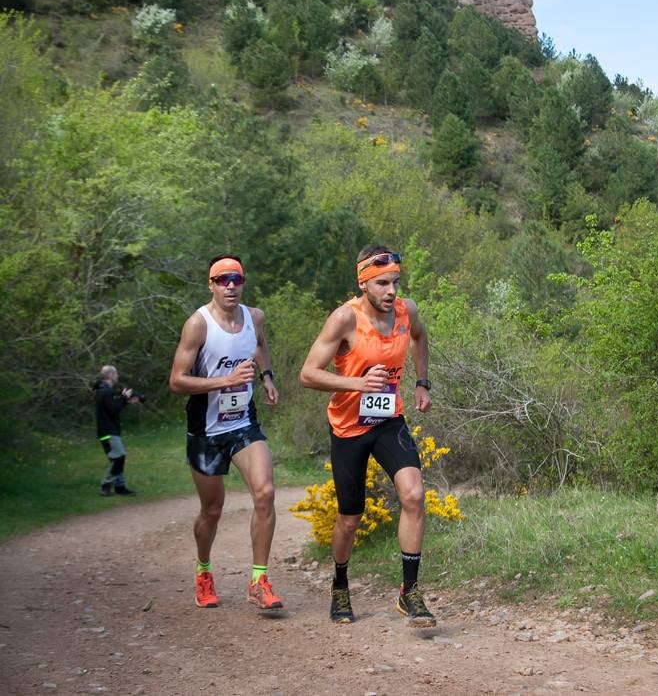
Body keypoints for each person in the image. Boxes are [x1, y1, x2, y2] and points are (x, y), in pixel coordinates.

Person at [299, 244, 436, 627]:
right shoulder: (344, 318)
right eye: (382, 284)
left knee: (414, 495)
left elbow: (421, 338)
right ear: (363, 283)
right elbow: (308, 373)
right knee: (350, 518)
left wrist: (422, 382)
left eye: (395, 282)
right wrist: (356, 384)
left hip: (389, 420)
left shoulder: (408, 311)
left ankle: (410, 593)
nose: (391, 291)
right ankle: (340, 584)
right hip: (349, 427)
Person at [169, 253, 283, 612]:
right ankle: (204, 569)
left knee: (265, 493)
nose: (230, 286)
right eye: (222, 280)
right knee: (212, 511)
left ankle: (259, 581)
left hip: (243, 424)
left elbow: (260, 344)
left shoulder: (255, 317)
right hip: (206, 430)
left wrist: (266, 377)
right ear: (211, 284)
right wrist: (225, 381)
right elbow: (176, 381)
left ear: (243, 282)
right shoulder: (198, 325)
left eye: (236, 279)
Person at [92, 365, 141, 496]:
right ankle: (106, 485)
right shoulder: (106, 391)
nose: (117, 376)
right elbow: (114, 410)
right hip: (109, 431)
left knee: (116, 460)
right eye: (116, 374)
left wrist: (124, 400)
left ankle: (120, 487)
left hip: (104, 431)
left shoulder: (101, 390)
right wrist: (124, 398)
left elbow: (112, 407)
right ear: (110, 375)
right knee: (119, 458)